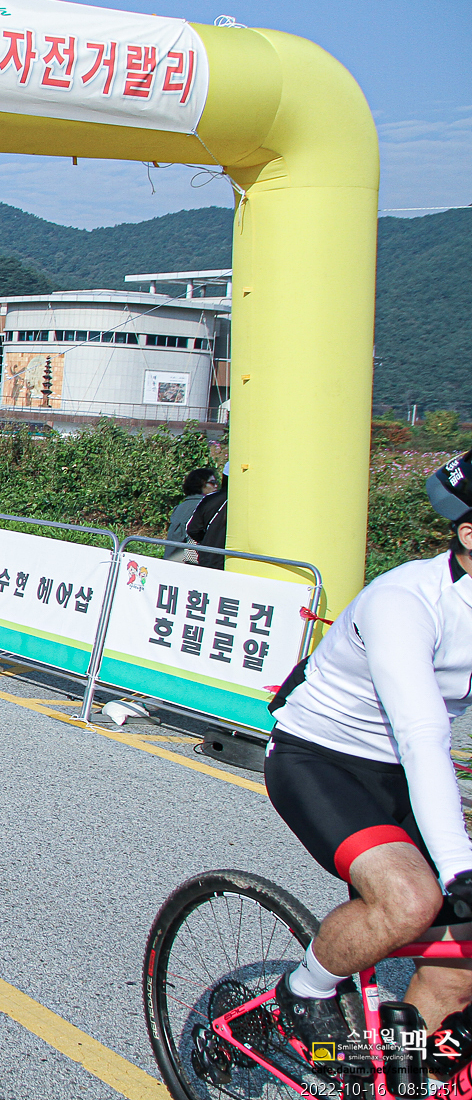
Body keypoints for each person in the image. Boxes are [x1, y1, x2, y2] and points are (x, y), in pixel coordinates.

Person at [256, 449, 472, 1071]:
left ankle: (404, 1076)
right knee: (410, 901)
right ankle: (305, 990)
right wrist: (459, 869)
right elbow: (422, 733)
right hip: (322, 759)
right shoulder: (405, 600)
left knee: (460, 965)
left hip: (410, 774)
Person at [165, 467, 220, 564]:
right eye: (212, 482)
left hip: (172, 558)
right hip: (188, 560)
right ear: (200, 484)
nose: (216, 486)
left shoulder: (181, 506)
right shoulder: (204, 506)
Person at [187, 463, 229, 569]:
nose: (216, 485)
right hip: (233, 561)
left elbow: (193, 529)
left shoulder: (210, 499)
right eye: (213, 482)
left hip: (208, 558)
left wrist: (208, 540)